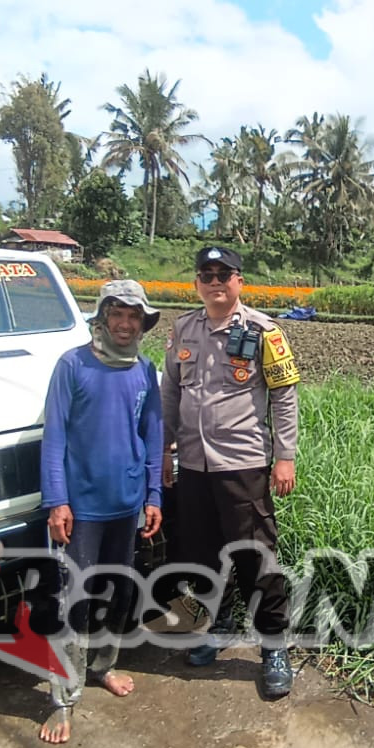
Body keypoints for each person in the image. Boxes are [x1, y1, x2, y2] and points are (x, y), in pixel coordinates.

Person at [161, 245, 301, 699]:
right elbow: (170, 394)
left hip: (242, 462)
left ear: (240, 281)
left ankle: (274, 646)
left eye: (224, 274)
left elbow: (283, 396)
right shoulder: (183, 328)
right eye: (207, 274)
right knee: (201, 553)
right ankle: (216, 629)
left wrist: (285, 455)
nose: (215, 282)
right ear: (196, 283)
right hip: (193, 465)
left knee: (254, 556)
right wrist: (164, 449)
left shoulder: (263, 331)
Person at [37, 279, 165, 745]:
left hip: (127, 504)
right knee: (74, 599)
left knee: (116, 594)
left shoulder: (144, 370)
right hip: (81, 509)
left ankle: (104, 666)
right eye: (119, 314)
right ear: (103, 317)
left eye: (135, 317)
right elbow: (54, 439)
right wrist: (57, 501)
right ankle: (63, 699)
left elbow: (152, 435)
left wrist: (153, 496)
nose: (127, 324)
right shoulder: (72, 366)